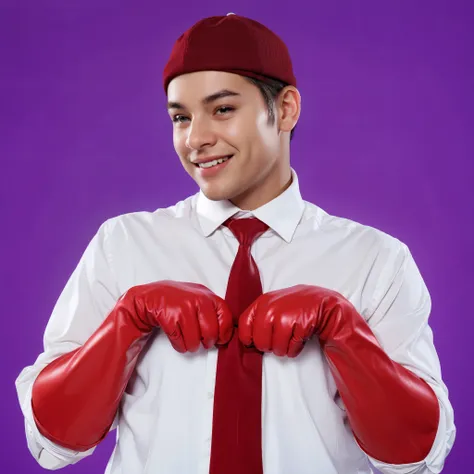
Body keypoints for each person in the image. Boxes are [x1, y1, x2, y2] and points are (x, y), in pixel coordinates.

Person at [15, 13, 455, 474]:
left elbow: (417, 457)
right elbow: (52, 441)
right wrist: (126, 321)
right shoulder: (122, 245)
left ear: (285, 109)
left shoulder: (375, 260)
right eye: (180, 117)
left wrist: (345, 331)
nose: (196, 139)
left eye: (222, 109)